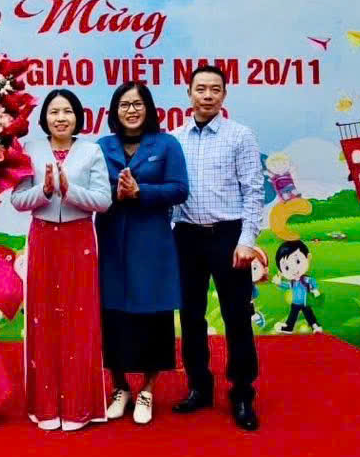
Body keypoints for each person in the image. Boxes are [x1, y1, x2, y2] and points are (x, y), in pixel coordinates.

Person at [11, 89, 111, 431]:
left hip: (79, 238)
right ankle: (46, 406)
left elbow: (103, 201)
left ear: (77, 117)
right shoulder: (30, 150)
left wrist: (69, 191)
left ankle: (79, 407)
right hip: (42, 238)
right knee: (43, 320)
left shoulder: (91, 151)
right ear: (45, 118)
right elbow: (18, 200)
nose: (61, 118)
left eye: (67, 111)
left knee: (79, 320)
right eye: (54, 112)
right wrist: (45, 191)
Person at [172, 65, 265, 431]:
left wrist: (247, 241)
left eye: (215, 89)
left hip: (229, 236)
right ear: (189, 94)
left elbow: (254, 191)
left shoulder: (240, 136)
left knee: (237, 317)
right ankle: (199, 387)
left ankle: (242, 393)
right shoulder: (175, 139)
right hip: (186, 237)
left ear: (224, 94)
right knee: (190, 316)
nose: (207, 95)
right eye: (201, 89)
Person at [95, 81, 189, 425]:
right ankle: (119, 387)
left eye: (137, 104)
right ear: (114, 111)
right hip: (111, 242)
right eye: (124, 105)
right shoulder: (102, 146)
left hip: (152, 244)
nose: (131, 110)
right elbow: (90, 188)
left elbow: (179, 189)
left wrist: (141, 191)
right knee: (113, 315)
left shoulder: (166, 144)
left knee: (153, 316)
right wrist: (115, 193)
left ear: (148, 108)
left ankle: (148, 389)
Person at [273, 240, 322, 333]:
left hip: (305, 302)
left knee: (309, 315)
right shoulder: (293, 282)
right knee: (292, 315)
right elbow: (287, 286)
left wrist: (315, 289)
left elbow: (312, 282)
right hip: (296, 303)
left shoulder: (306, 279)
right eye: (286, 268)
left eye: (297, 261)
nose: (293, 270)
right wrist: (279, 283)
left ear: (308, 258)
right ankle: (289, 327)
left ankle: (315, 326)